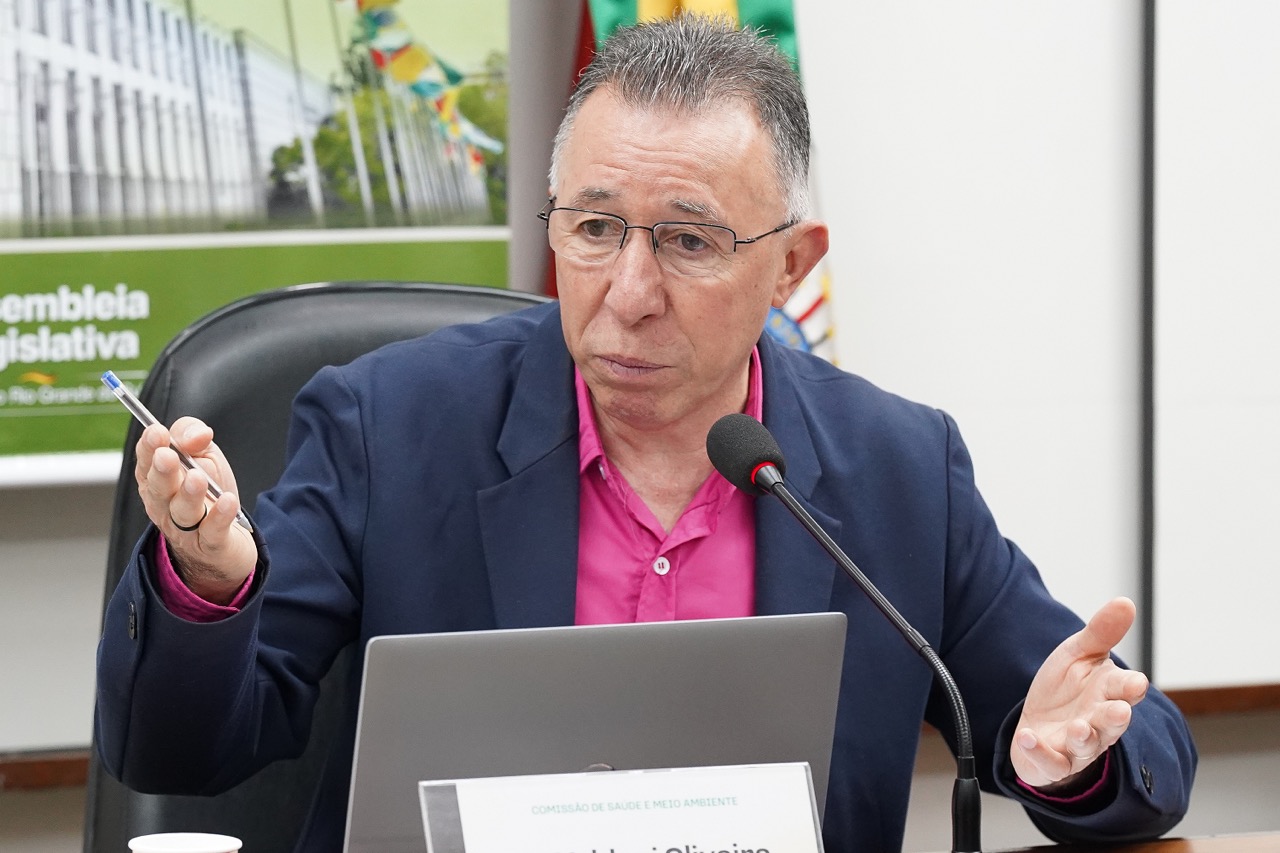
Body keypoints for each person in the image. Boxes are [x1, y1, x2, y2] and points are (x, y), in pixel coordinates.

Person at [95, 15, 1196, 853]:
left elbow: (1131, 746)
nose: (626, 292)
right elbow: (180, 750)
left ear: (791, 264)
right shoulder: (390, 425)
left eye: (688, 241)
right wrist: (209, 583)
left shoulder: (897, 470)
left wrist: (1073, 755)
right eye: (594, 229)